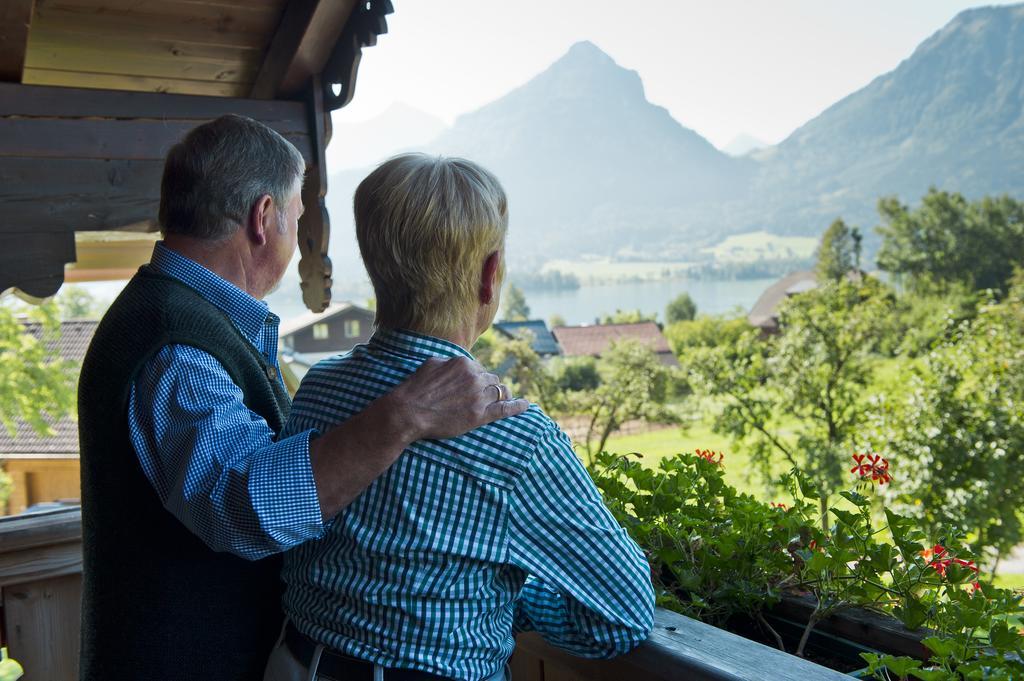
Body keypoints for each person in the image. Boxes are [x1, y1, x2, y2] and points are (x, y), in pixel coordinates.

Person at [77, 117, 528, 681]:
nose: (297, 233)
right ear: (263, 218)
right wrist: (405, 414)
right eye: (296, 216)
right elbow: (238, 510)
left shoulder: (173, 317)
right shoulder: (176, 345)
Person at [264, 154, 655, 681]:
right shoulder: (514, 436)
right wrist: (521, 598)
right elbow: (623, 615)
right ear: (490, 276)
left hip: (294, 664)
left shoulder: (321, 387)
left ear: (377, 268)